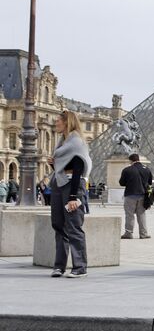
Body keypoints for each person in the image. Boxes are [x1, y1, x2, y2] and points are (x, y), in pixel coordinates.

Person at [48, 110, 92, 278]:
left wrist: (74, 196)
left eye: (58, 121)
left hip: (72, 186)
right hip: (59, 184)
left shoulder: (77, 142)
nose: (56, 124)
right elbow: (61, 169)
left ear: (67, 122)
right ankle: (59, 266)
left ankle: (80, 267)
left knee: (73, 226)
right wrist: (54, 164)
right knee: (58, 224)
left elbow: (78, 169)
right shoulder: (62, 142)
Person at [119, 153, 152, 239]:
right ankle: (143, 233)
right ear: (139, 159)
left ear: (130, 160)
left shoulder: (127, 170)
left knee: (129, 214)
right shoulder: (147, 169)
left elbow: (121, 183)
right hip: (143, 195)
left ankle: (129, 233)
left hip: (130, 194)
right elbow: (150, 182)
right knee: (141, 214)